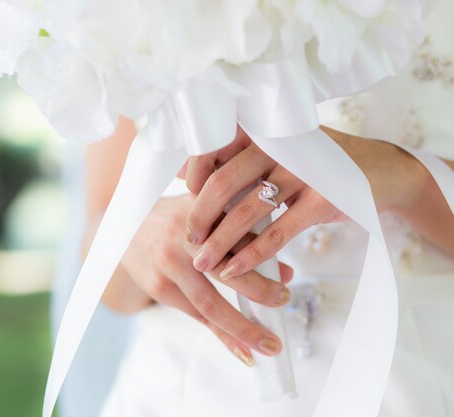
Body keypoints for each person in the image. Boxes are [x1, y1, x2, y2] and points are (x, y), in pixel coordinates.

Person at [84, 1, 454, 416]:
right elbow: (102, 259)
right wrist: (140, 237)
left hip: (417, 371)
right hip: (186, 382)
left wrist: (411, 179)